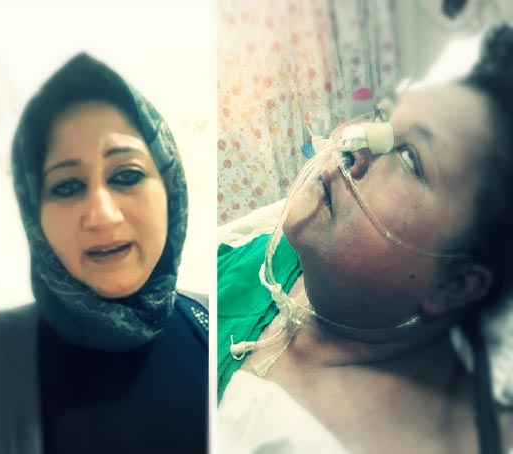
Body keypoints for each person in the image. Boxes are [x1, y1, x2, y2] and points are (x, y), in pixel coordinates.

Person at [218, 25, 513, 454]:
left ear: (455, 285)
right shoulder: (282, 256)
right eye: (381, 118)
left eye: (409, 157)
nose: (351, 142)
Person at [0, 53, 208, 454]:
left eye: (126, 175)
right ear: (34, 212)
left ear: (170, 187)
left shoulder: (212, 324)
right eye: (67, 186)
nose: (102, 216)